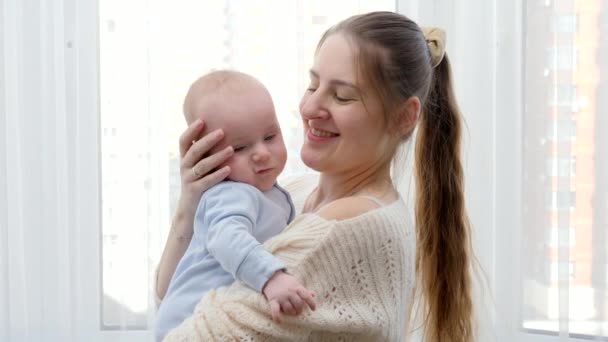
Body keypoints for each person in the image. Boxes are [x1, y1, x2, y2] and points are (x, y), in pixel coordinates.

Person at [156, 11, 475, 341]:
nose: (309, 109)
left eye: (342, 96)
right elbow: (172, 292)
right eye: (313, 85)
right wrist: (191, 205)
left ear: (403, 117)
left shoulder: (342, 228)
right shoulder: (291, 192)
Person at [154, 71, 316, 341]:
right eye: (239, 148)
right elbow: (227, 238)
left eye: (270, 136)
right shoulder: (231, 194)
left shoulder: (272, 194)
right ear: (207, 156)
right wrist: (271, 278)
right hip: (188, 322)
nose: (262, 153)